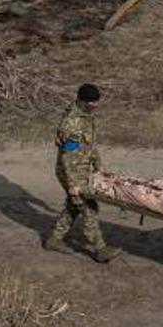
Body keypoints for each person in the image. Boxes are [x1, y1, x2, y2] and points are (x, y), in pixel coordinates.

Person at [43, 83, 122, 263]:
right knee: (89, 207)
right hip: (70, 172)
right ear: (83, 101)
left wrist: (98, 166)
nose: (96, 105)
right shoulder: (71, 124)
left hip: (82, 168)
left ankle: (54, 240)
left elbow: (90, 144)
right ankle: (100, 249)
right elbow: (67, 158)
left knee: (73, 206)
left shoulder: (87, 116)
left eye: (97, 102)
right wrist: (73, 185)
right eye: (93, 102)